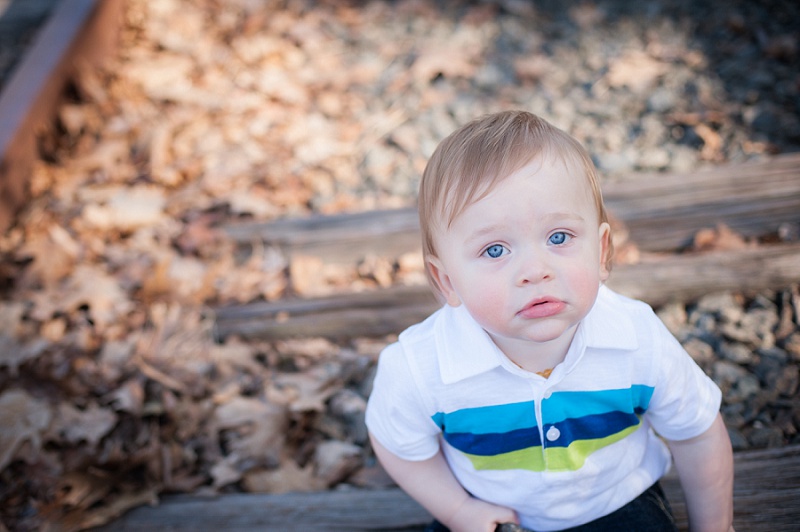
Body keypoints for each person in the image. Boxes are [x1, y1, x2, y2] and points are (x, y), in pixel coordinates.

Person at [365, 111, 734, 531]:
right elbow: (396, 443)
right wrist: (457, 510)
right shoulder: (421, 367)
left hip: (615, 502)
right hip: (495, 513)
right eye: (495, 250)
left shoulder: (635, 338)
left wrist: (715, 527)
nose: (534, 270)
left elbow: (696, 430)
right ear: (446, 280)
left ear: (601, 252)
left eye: (558, 237)